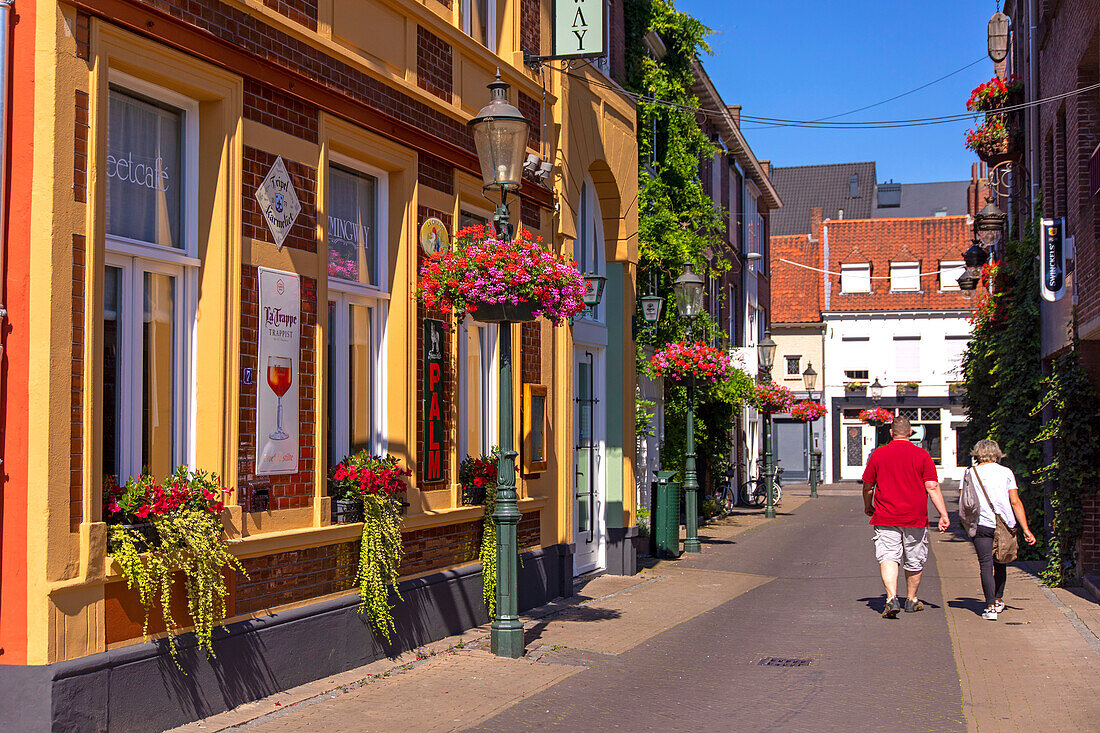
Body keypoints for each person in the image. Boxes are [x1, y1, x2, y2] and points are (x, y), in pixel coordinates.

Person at [862, 416, 950, 618]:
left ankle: (891, 597)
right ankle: (911, 599)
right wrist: (943, 514)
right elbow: (932, 486)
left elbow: (868, 487)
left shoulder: (878, 454)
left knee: (888, 556)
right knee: (914, 557)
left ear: (891, 433)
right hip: (915, 516)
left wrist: (869, 506)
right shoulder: (922, 455)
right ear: (911, 433)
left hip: (885, 516)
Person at [960, 439, 1037, 620]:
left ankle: (990, 607)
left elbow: (965, 502)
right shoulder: (1006, 472)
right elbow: (1015, 501)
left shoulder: (970, 473)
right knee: (1001, 561)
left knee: (985, 564)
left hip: (980, 524)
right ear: (997, 454)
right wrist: (1026, 528)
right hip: (1004, 525)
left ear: (977, 454)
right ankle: (998, 598)